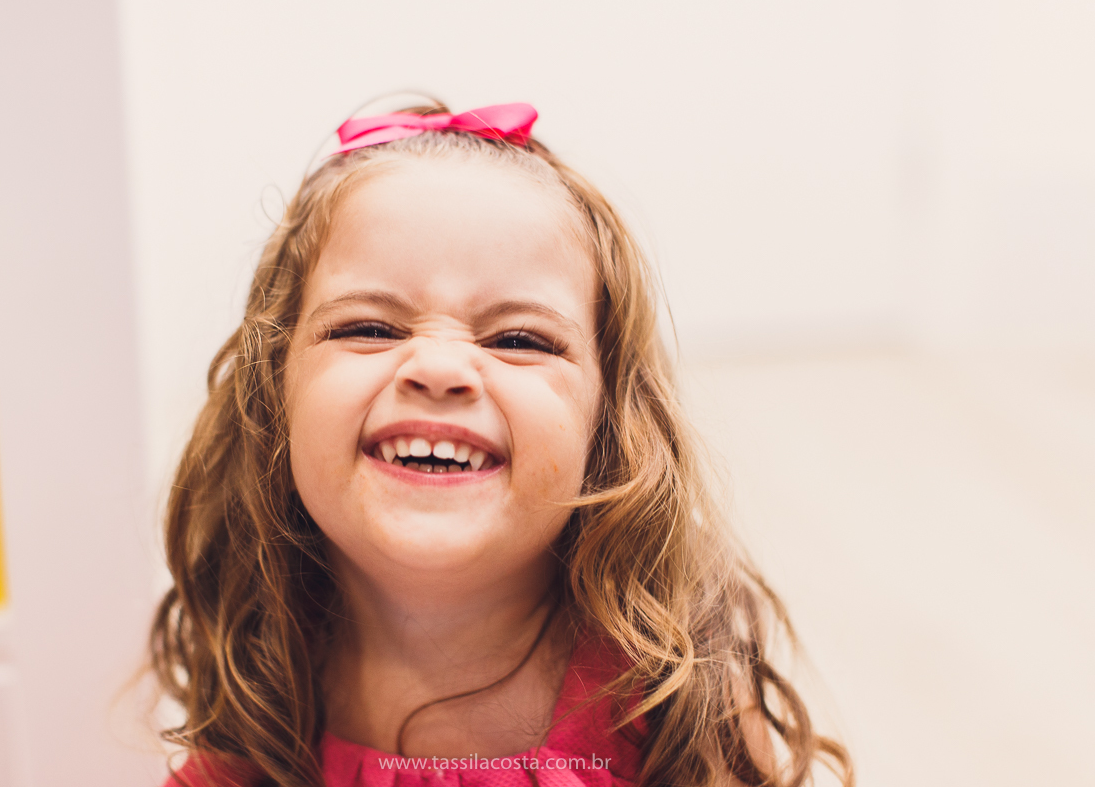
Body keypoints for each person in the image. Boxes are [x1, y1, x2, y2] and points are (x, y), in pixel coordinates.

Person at [150, 97, 853, 787]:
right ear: (274, 392)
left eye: (518, 340)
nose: (439, 368)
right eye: (369, 328)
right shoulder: (261, 684)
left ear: (607, 423)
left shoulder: (672, 696)